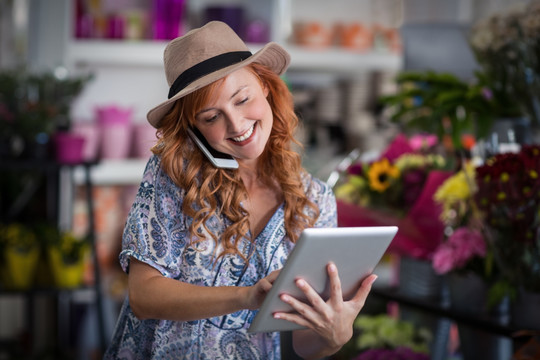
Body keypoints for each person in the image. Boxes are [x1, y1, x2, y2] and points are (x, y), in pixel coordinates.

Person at [104, 21, 377, 360]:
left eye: (242, 99)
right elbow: (143, 297)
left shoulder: (315, 199)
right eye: (211, 117)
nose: (236, 125)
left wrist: (334, 334)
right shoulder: (173, 174)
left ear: (264, 84)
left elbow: (305, 343)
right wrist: (246, 296)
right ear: (193, 127)